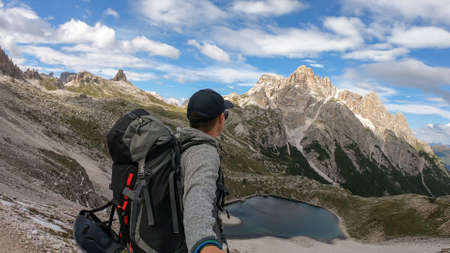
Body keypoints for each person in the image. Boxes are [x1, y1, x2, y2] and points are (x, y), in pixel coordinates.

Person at [177, 89, 233, 253]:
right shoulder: (204, 153)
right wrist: (206, 246)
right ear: (221, 118)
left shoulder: (182, 142)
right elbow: (197, 202)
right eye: (225, 115)